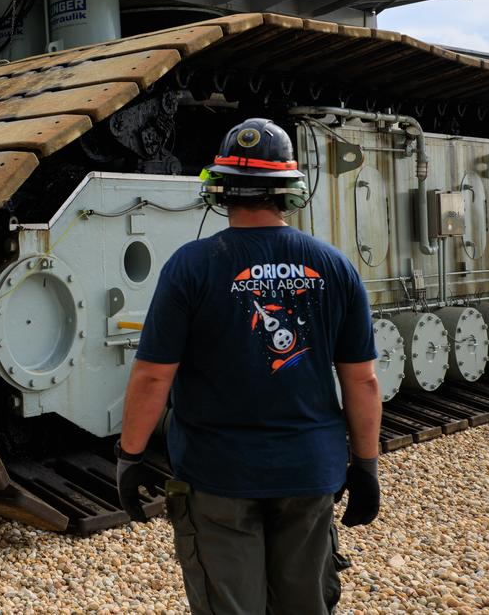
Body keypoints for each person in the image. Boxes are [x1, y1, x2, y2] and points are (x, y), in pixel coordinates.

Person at [115, 118, 383, 615]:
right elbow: (361, 379)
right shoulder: (334, 265)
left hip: (218, 475)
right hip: (309, 470)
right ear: (288, 190)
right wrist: (365, 466)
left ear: (220, 189)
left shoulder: (191, 265)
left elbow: (154, 375)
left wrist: (130, 456)